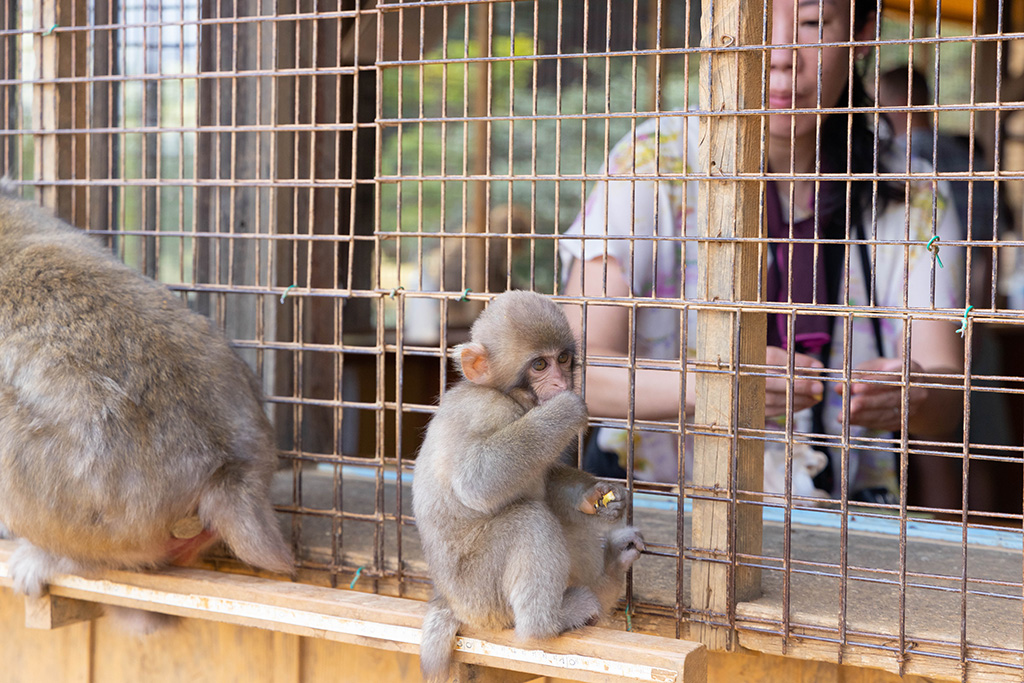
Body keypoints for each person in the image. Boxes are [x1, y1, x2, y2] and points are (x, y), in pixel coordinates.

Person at [558, 0, 966, 503]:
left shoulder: (912, 196)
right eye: (751, 24)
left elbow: (950, 397)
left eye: (813, 23)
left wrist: (914, 390)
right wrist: (716, 386)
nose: (781, 55)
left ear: (862, 33)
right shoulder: (650, 164)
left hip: (841, 520)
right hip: (653, 510)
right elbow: (570, 370)